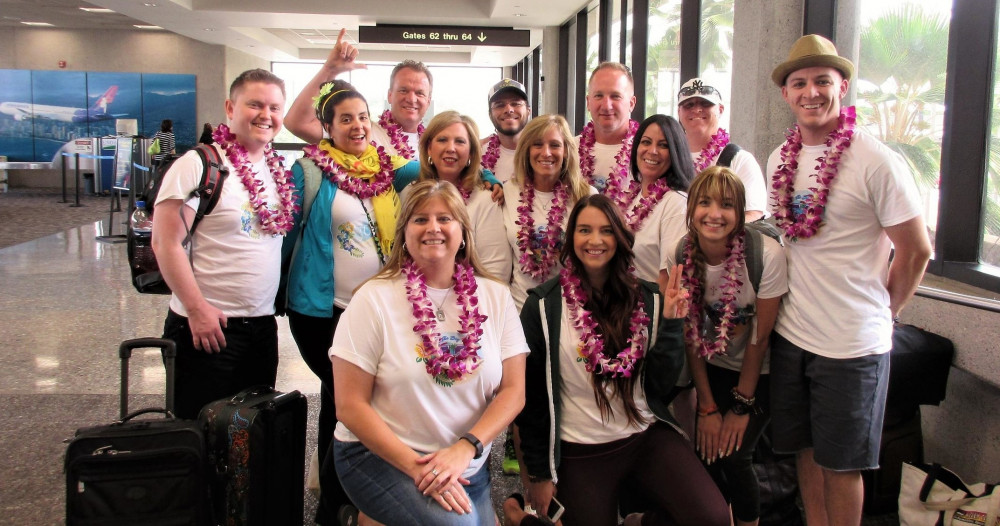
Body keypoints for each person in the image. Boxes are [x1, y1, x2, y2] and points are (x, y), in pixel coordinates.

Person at [766, 34, 931, 526]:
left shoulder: (875, 160)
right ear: (786, 94)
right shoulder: (781, 160)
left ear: (843, 86)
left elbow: (917, 249)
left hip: (853, 344)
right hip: (794, 334)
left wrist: (888, 311)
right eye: (800, 83)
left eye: (822, 80)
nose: (811, 92)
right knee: (804, 453)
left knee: (843, 465)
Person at [513, 194, 730, 526]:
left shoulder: (649, 299)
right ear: (571, 239)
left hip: (644, 437)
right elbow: (533, 403)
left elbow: (659, 385)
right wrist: (540, 474)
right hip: (580, 450)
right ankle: (518, 517)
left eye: (606, 231)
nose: (595, 240)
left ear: (621, 237)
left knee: (713, 518)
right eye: (584, 230)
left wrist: (672, 324)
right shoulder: (542, 307)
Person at [331, 180, 528, 526]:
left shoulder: (495, 296)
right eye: (420, 219)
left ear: (463, 232)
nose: (433, 227)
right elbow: (349, 406)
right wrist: (417, 469)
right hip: (381, 456)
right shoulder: (372, 299)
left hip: (464, 460)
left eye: (445, 218)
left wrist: (465, 449)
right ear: (404, 233)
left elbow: (513, 392)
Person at [280, 78, 419, 525]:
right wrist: (274, 293)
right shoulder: (310, 171)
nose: (357, 126)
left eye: (362, 116)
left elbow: (440, 163)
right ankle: (334, 506)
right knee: (349, 400)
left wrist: (491, 179)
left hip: (376, 311)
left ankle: (340, 499)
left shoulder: (389, 167)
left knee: (342, 399)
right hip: (322, 309)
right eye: (345, 119)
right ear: (327, 126)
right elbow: (283, 233)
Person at [151, 69, 294, 420]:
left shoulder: (276, 170)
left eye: (275, 107)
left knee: (250, 436)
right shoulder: (198, 165)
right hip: (208, 327)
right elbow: (164, 242)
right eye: (255, 104)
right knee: (201, 433)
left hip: (261, 326)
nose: (266, 115)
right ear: (230, 108)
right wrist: (197, 309)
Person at [666, 167, 788, 526]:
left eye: (727, 205)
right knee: (706, 452)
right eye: (704, 202)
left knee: (735, 456)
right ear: (691, 208)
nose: (714, 214)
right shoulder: (683, 251)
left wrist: (740, 407)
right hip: (713, 366)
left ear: (740, 212)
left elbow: (759, 338)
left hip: (759, 371)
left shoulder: (765, 254)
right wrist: (706, 406)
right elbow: (691, 335)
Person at [284, 28, 431, 161]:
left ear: (428, 101)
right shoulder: (363, 132)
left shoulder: (435, 142)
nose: (411, 99)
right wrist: (329, 70)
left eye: (420, 93)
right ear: (390, 95)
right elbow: (296, 123)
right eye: (403, 90)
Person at [502, 114, 595, 310]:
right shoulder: (508, 191)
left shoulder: (586, 196)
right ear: (526, 150)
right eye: (537, 144)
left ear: (566, 151)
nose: (546, 153)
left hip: (570, 310)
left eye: (554, 145)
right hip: (519, 308)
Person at [406, 110, 511, 281]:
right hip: (415, 299)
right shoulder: (410, 194)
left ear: (471, 152)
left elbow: (496, 270)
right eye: (442, 140)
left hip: (472, 303)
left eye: (460, 141)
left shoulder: (486, 199)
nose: (451, 148)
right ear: (429, 148)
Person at [615, 114, 694, 290]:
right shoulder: (630, 199)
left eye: (663, 145)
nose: (652, 151)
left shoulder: (676, 203)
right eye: (646, 142)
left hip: (650, 312)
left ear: (676, 152)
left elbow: (669, 280)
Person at [676, 78, 767, 221]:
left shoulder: (740, 160)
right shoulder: (669, 157)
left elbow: (753, 214)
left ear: (720, 109)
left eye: (706, 104)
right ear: (679, 112)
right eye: (689, 105)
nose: (697, 109)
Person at [577, 62, 638, 193]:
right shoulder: (568, 150)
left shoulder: (646, 153)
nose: (606, 105)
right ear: (588, 102)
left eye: (615, 96)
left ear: (631, 103)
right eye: (598, 96)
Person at [481, 78, 531, 183]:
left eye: (516, 103)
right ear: (490, 115)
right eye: (499, 105)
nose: (508, 110)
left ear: (528, 110)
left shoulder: (542, 154)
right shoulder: (478, 156)